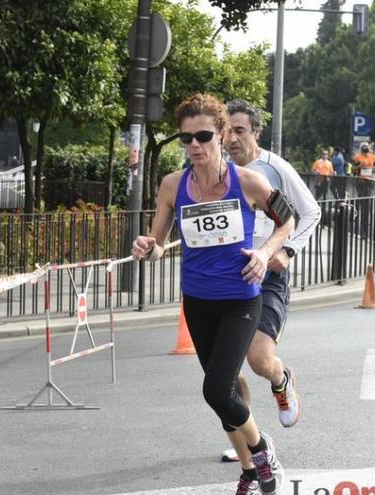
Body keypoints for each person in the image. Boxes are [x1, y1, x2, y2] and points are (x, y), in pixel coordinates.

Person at [132, 94, 294, 495]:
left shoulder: (250, 181)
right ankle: (248, 472)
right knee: (226, 391)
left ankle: (261, 449)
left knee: (215, 388)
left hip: (241, 296)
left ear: (221, 135)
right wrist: (146, 248)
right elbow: (158, 244)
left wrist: (265, 251)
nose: (194, 146)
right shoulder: (173, 186)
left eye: (203, 135)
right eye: (186, 138)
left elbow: (286, 221)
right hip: (198, 300)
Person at [222, 99, 321, 468]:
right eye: (225, 131)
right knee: (225, 370)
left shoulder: (275, 168)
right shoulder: (216, 172)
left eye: (239, 130)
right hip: (226, 279)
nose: (231, 138)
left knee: (260, 360)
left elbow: (310, 211)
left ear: (256, 133)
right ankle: (248, 439)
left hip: (269, 278)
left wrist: (288, 250)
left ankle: (282, 381)